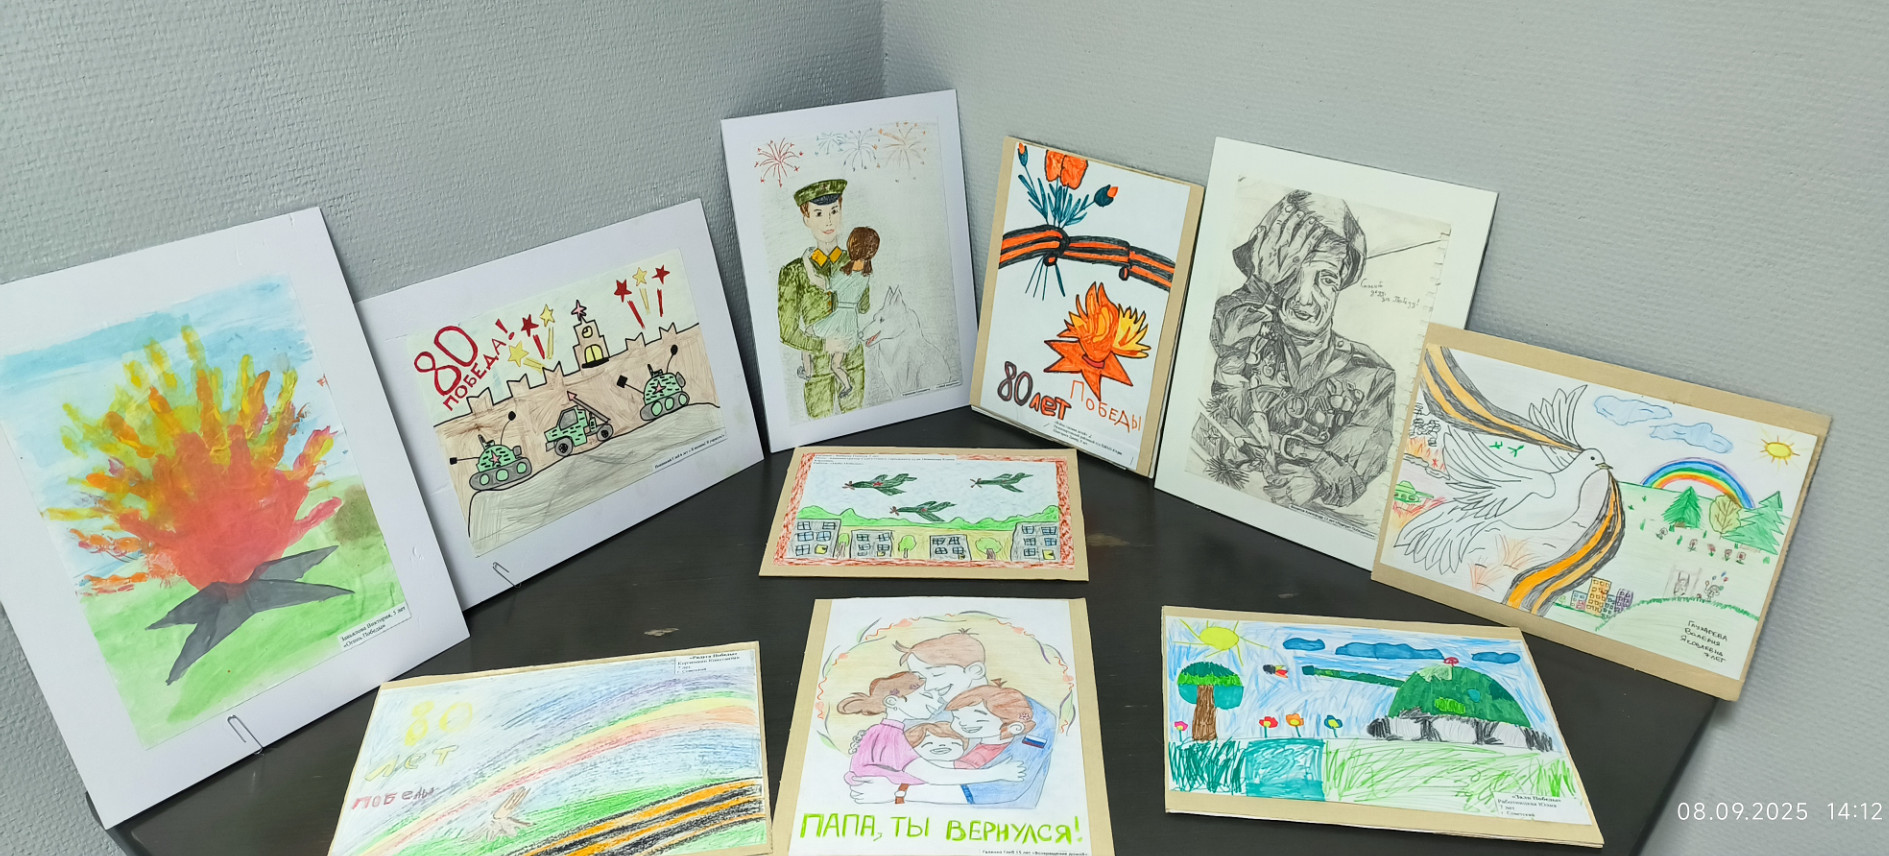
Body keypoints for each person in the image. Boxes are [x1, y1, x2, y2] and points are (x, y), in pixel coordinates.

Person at [1200, 190, 1397, 519]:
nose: (1304, 299)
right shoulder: (1244, 329)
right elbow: (1226, 339)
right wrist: (1259, 285)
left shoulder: (1372, 374)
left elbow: (1366, 449)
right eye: (1291, 275)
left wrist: (1318, 480)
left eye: (1326, 279)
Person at [849, 632, 1058, 809]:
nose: (928, 687)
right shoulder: (927, 712)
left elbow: (1008, 787)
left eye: (935, 675)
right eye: (920, 678)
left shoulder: (1030, 715)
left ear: (975, 671)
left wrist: (901, 792)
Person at [778, 179, 869, 419]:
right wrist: (822, 346)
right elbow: (787, 332)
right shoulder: (793, 272)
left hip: (852, 362)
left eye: (834, 211)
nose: (828, 221)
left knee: (860, 423)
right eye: (818, 213)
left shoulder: (858, 262)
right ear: (806, 218)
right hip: (816, 372)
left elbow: (864, 306)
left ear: (841, 210)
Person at [836, 671, 1023, 788]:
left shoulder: (882, 731)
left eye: (937, 696)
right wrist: (996, 773)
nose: (937, 702)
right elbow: (934, 775)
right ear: (894, 701)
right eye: (927, 695)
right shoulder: (891, 737)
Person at [805, 226, 879, 401]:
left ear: (853, 247)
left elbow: (819, 282)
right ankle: (847, 385)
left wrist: (806, 260)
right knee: (836, 364)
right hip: (849, 323)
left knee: (807, 334)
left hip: (837, 319)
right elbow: (863, 305)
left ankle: (807, 371)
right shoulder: (866, 274)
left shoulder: (844, 276)